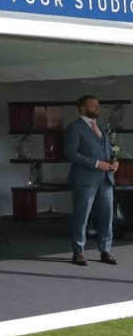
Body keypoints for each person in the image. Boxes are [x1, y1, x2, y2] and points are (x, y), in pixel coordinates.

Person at [63, 94, 119, 266]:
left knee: (106, 217)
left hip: (106, 179)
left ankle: (105, 250)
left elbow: (106, 149)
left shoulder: (102, 126)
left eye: (98, 105)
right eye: (94, 105)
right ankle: (78, 253)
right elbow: (70, 153)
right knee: (82, 217)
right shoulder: (74, 128)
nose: (98, 108)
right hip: (84, 180)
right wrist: (96, 164)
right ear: (82, 108)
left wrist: (114, 162)